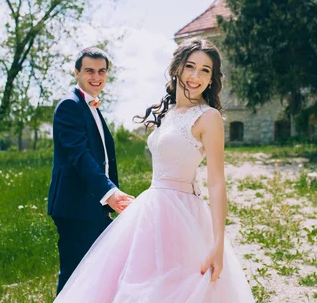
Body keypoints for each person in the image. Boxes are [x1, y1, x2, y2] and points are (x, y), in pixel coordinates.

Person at [54, 37, 255, 302]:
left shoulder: (209, 117)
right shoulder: (167, 111)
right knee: (134, 283)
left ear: (211, 79)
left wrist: (218, 243)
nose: (195, 76)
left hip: (183, 213)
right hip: (150, 208)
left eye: (205, 71)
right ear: (177, 68)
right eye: (190, 67)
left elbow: (217, 182)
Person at [47, 47, 134, 294]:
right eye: (89, 71)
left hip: (95, 204)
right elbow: (79, 156)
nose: (96, 77)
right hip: (75, 206)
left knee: (98, 274)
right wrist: (110, 193)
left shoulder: (92, 107)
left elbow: (104, 159)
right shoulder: (69, 106)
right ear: (77, 72)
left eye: (101, 71)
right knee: (74, 276)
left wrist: (108, 196)